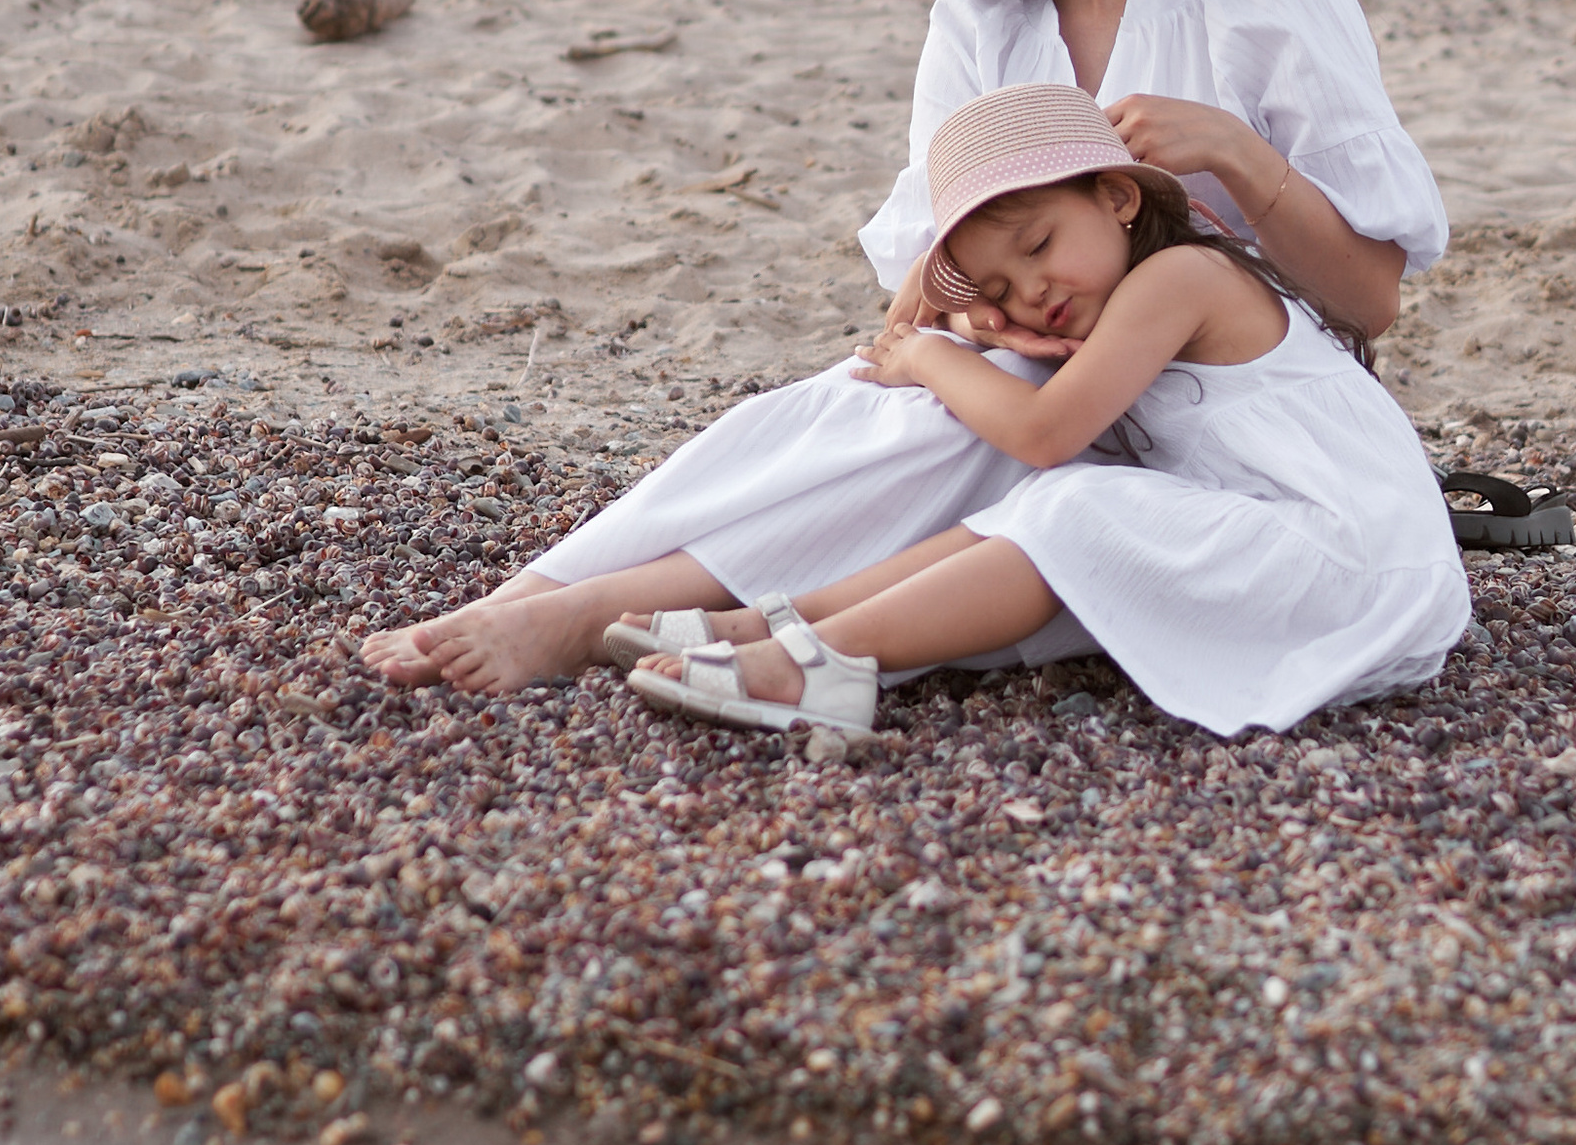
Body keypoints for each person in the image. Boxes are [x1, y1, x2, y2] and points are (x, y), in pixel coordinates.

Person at [360, 0, 1448, 698]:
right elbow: (933, 280)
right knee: (881, 399)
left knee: (984, 411)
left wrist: (1240, 159)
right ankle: (557, 596)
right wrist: (989, 326)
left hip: (1243, 409)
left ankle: (701, 629)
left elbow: (1371, 299)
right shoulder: (982, 18)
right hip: (1067, 364)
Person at [624, 82, 1469, 745]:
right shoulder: (1125, 295)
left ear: (1118, 200)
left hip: (1359, 569)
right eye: (998, 290)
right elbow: (939, 325)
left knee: (1074, 497)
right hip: (1302, 547)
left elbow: (1041, 430)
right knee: (1041, 504)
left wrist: (930, 358)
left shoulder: (1181, 281)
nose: (1030, 293)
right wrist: (960, 321)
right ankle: (782, 620)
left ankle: (827, 665)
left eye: (1038, 248)